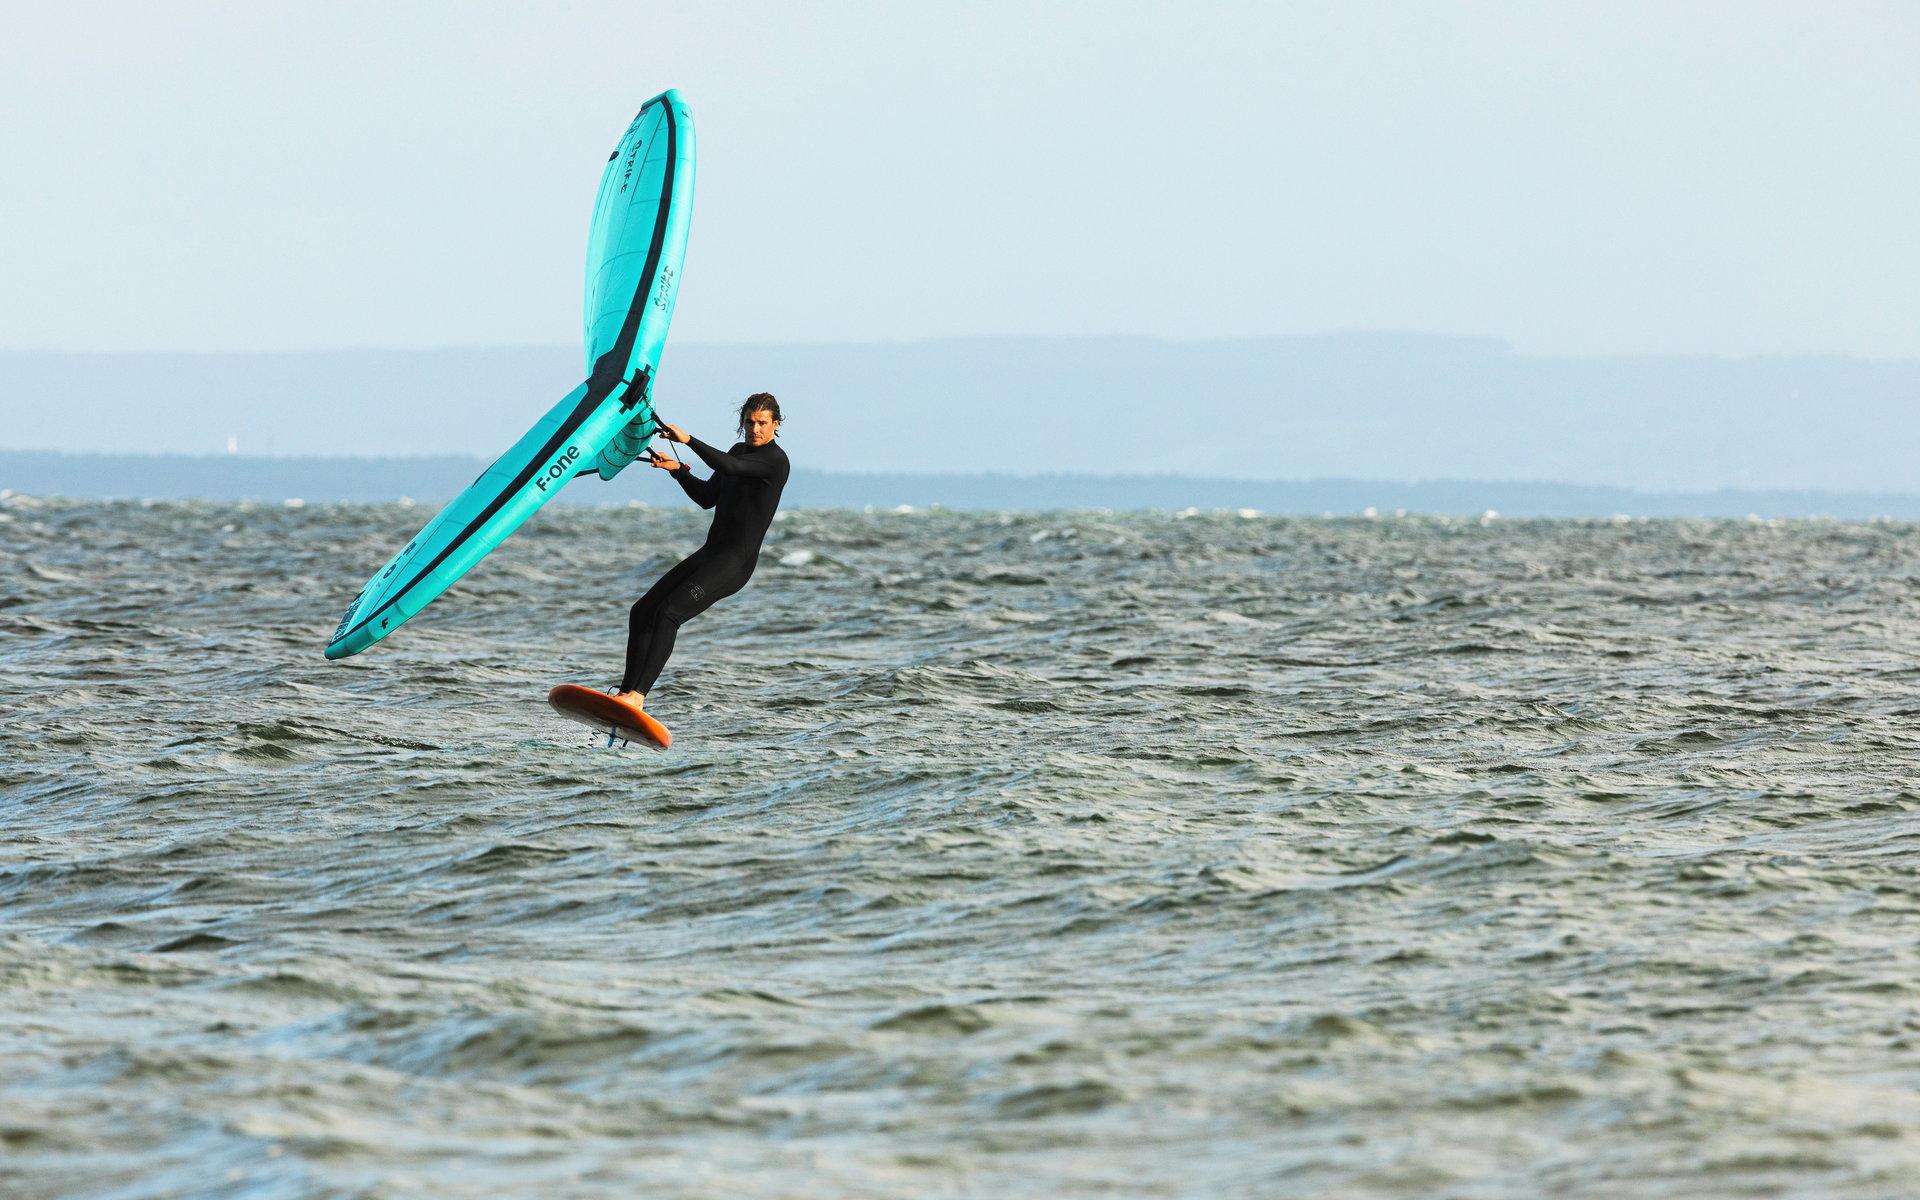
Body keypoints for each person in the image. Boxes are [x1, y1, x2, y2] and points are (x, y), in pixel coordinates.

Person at [615, 392, 789, 708]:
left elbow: (733, 467)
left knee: (669, 613)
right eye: (750, 422)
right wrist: (678, 471)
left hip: (734, 564)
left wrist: (688, 440)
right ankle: (625, 694)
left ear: (776, 424)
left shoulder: (775, 461)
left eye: (762, 423)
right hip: (711, 553)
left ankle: (638, 697)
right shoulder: (739, 451)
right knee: (642, 610)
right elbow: (707, 496)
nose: (755, 429)